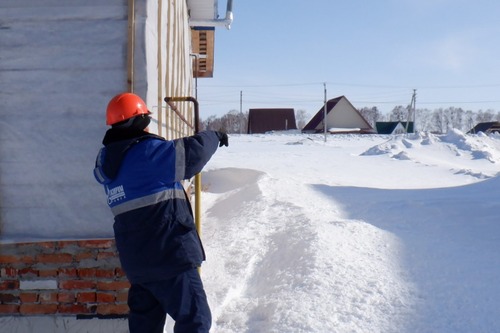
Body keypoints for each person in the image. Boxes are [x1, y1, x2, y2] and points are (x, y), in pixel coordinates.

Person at [93, 92, 228, 333]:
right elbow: (193, 154)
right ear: (140, 120)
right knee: (195, 320)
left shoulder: (108, 163)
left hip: (138, 264)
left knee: (145, 326)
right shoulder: (147, 153)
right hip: (170, 257)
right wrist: (213, 136)